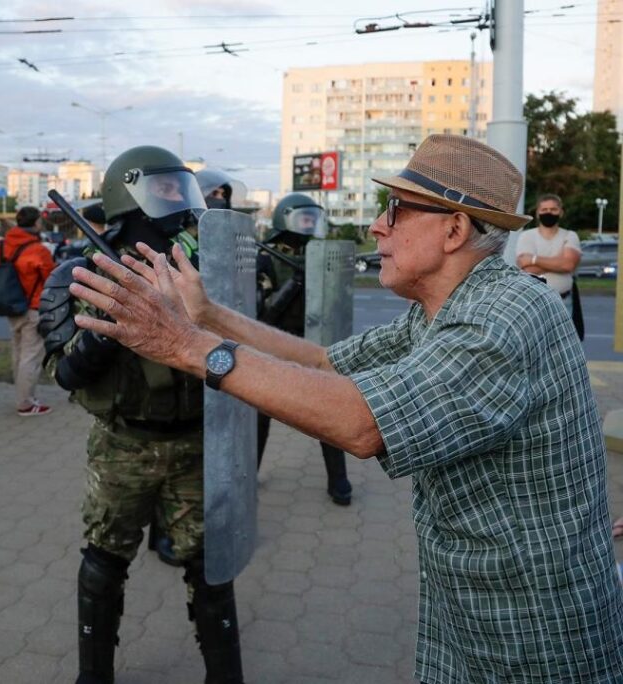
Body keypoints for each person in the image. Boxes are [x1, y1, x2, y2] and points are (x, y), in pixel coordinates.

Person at [68, 134, 623, 683]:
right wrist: (208, 316)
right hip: (474, 601)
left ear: (454, 229)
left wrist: (184, 346)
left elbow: (363, 425)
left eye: (396, 210)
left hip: (531, 628)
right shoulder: (446, 305)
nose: (376, 226)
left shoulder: (504, 315)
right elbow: (326, 363)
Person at [39, 145, 245, 684]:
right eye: (168, 191)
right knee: (105, 561)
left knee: (210, 570)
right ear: (130, 199)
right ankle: (94, 674)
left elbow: (247, 348)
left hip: (194, 443)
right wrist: (117, 315)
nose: (181, 206)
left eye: (184, 190)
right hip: (123, 447)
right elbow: (64, 374)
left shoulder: (203, 278)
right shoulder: (81, 277)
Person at [258, 194, 351, 505]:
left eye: (314, 218)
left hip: (314, 347)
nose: (310, 224)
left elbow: (337, 303)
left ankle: (339, 480)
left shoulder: (322, 255)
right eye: (304, 218)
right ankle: (250, 472)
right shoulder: (266, 258)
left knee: (328, 412)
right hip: (275, 347)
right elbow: (264, 314)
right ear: (286, 219)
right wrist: (296, 281)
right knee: (260, 414)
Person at [0, 205, 56, 416]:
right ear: (36, 223)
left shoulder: (2, 246)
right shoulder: (38, 250)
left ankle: (23, 396)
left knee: (18, 353)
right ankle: (26, 404)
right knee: (31, 356)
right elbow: (51, 276)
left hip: (11, 305)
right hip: (32, 307)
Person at [515, 193, 582, 323]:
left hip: (563, 303)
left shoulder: (570, 235)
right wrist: (558, 260)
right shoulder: (526, 236)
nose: (549, 213)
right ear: (537, 213)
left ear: (561, 212)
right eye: (544, 210)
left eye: (553, 209)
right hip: (534, 303)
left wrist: (533, 259)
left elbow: (568, 265)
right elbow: (527, 269)